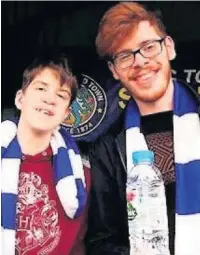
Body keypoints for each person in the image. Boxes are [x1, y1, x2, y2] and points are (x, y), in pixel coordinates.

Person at [85, 2, 200, 255]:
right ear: (114, 70)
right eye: (125, 56)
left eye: (148, 47)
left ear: (168, 47)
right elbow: (101, 243)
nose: (140, 62)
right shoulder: (108, 149)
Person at [1, 54, 91, 255]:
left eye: (61, 95)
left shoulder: (80, 176)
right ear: (20, 98)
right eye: (41, 88)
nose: (50, 99)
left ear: (66, 114)